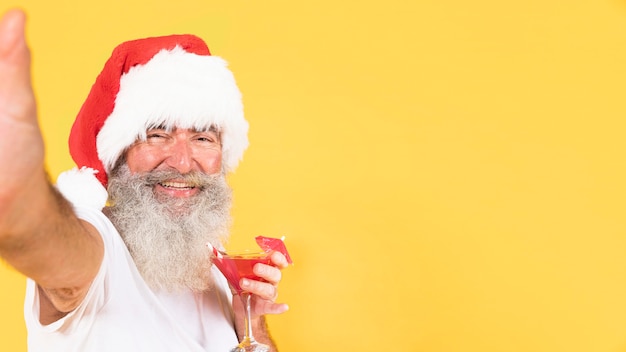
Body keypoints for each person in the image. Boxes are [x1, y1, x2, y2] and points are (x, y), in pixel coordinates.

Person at [0, 8, 289, 352]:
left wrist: (251, 323)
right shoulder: (94, 240)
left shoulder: (215, 265)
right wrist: (22, 198)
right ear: (120, 153)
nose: (183, 164)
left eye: (202, 138)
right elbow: (52, 250)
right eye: (156, 135)